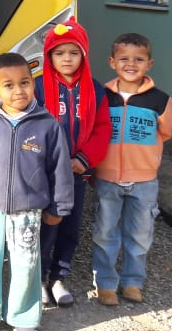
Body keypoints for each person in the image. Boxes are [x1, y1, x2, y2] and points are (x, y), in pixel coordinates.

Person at [0, 52, 73, 331]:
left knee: (26, 264)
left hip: (28, 209)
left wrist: (59, 207)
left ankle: (23, 318)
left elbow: (60, 169)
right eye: (8, 85)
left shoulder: (47, 124)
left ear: (33, 83)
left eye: (25, 82)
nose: (18, 90)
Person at [92, 32, 172, 306]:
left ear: (149, 64)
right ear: (112, 62)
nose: (131, 64)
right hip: (107, 178)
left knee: (139, 233)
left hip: (144, 181)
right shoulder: (102, 96)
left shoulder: (160, 100)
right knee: (105, 232)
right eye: (124, 58)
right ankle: (105, 284)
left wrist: (145, 157)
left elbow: (165, 132)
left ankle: (132, 282)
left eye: (139, 59)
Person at [34, 17, 111, 307]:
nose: (66, 58)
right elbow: (31, 128)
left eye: (73, 52)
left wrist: (84, 159)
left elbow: (103, 129)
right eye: (59, 53)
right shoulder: (38, 88)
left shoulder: (96, 90)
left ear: (84, 55)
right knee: (45, 226)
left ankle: (58, 277)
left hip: (77, 172)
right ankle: (38, 278)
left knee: (70, 227)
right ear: (49, 55)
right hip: (45, 173)